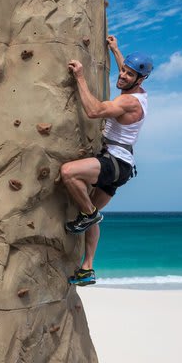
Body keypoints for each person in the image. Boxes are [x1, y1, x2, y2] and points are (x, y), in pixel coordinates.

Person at [60, 36, 152, 286]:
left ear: (140, 80)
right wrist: (116, 50)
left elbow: (94, 111)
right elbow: (126, 71)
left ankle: (88, 215)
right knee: (93, 211)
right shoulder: (139, 92)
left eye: (129, 74)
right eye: (123, 70)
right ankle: (87, 268)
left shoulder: (128, 102)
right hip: (122, 165)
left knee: (69, 173)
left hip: (114, 162)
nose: (123, 75)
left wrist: (79, 77)